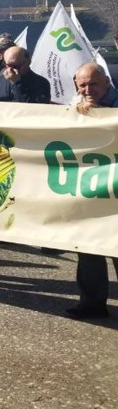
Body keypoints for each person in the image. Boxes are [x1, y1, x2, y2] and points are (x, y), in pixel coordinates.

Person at [67, 62, 118, 319]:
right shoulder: (76, 104)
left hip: (116, 191)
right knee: (89, 247)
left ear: (106, 83)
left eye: (93, 84)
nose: (88, 89)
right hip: (90, 186)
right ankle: (92, 304)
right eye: (82, 84)